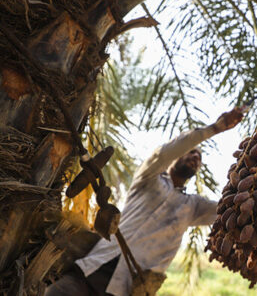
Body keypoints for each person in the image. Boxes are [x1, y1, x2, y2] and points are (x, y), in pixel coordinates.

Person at [45, 107, 244, 296]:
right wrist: (215, 128)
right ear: (175, 158)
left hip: (126, 288)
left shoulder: (192, 207)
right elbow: (165, 153)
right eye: (191, 152)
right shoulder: (149, 178)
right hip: (89, 271)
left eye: (199, 158)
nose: (195, 157)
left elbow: (227, 209)